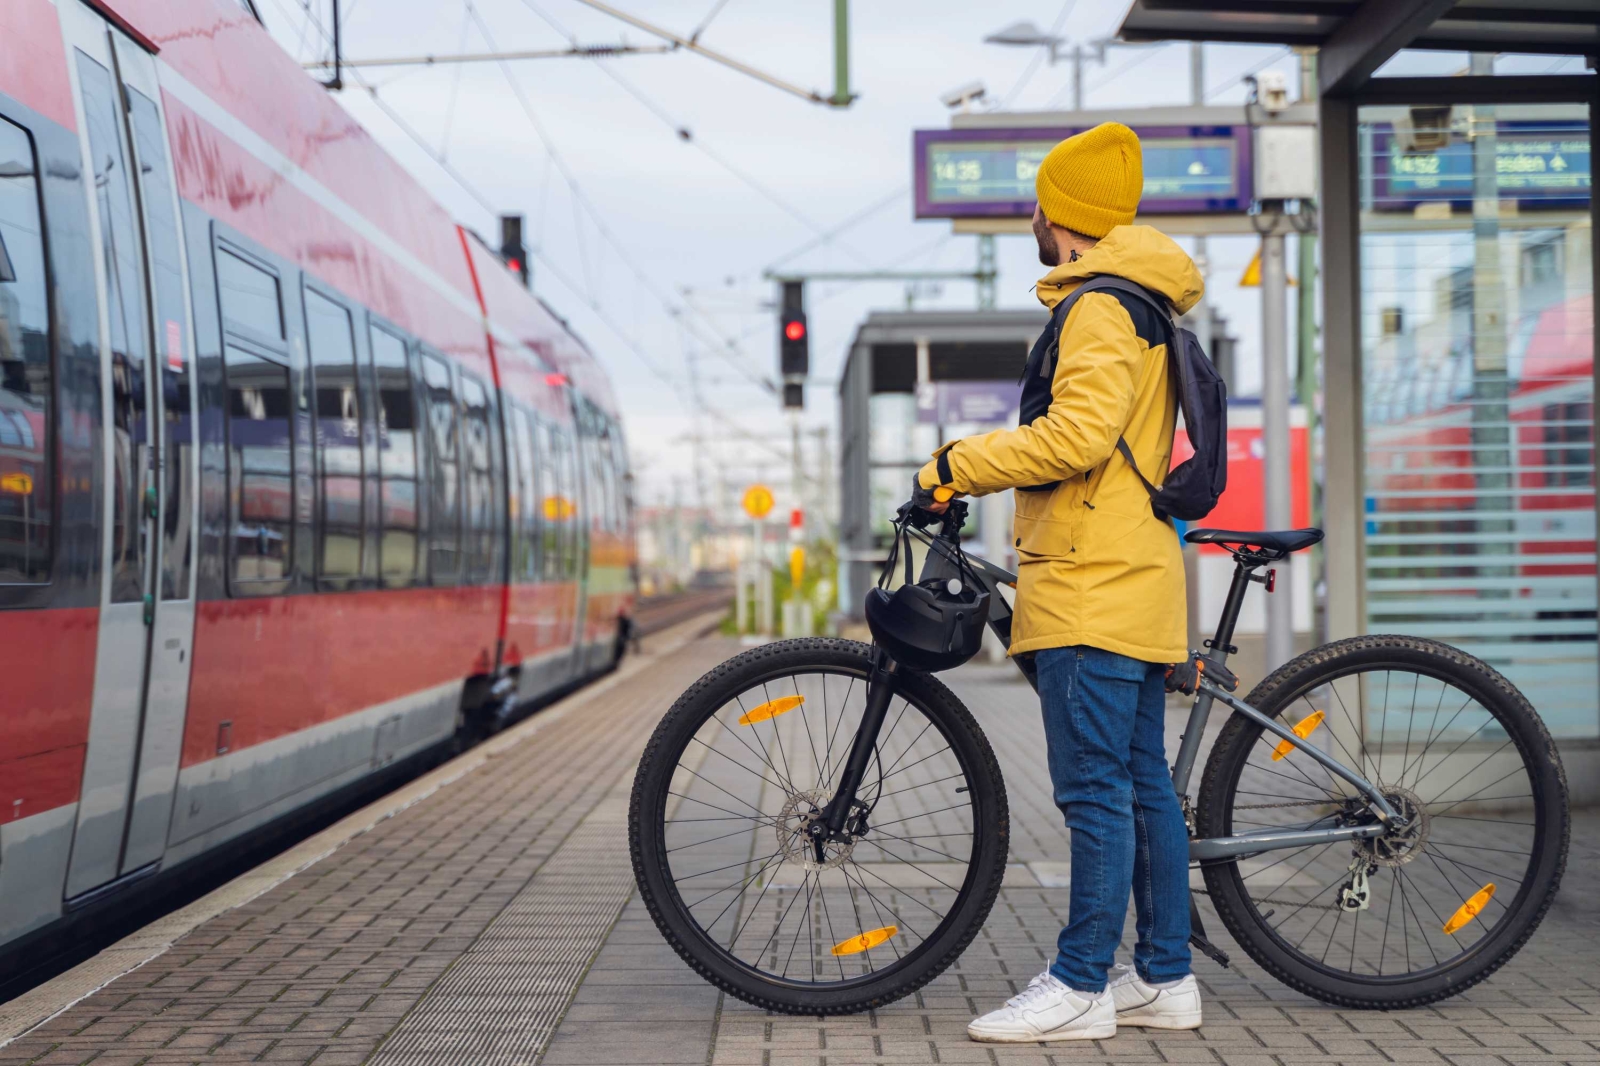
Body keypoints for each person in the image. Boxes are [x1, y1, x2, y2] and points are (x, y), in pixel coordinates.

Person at [911, 122, 1205, 1042]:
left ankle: (1080, 984)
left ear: (1061, 216)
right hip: (1131, 571)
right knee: (1139, 784)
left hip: (1091, 581)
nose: (1031, 219)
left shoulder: (1096, 308)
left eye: (1039, 205)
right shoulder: (1143, 303)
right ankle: (1165, 977)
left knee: (1094, 794)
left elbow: (1076, 437)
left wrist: (956, 463)